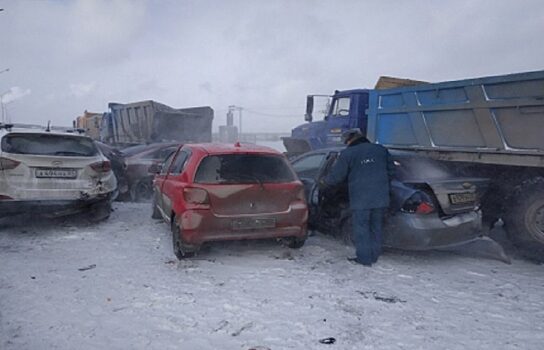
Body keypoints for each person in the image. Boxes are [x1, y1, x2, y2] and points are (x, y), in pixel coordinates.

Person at [322, 128, 395, 266]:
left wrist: (324, 183)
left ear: (350, 140)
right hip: (380, 196)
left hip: (361, 198)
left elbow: (336, 177)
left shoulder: (348, 153)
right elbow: (391, 171)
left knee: (361, 228)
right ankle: (374, 255)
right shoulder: (380, 149)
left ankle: (364, 258)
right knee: (376, 226)